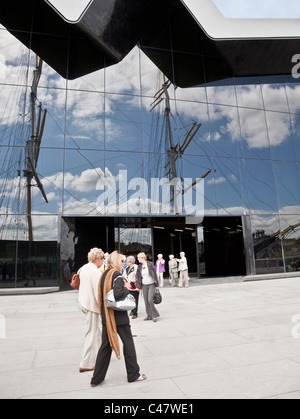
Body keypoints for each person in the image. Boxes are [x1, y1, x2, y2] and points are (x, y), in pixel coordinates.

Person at [91, 251, 146, 387]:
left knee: (105, 348)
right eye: (122, 261)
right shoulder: (116, 275)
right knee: (128, 344)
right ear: (116, 261)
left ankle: (96, 379)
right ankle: (133, 374)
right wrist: (127, 288)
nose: (123, 264)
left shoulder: (104, 274)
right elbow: (118, 294)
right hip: (119, 318)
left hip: (107, 316)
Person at [77, 247, 104, 373]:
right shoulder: (95, 272)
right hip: (91, 305)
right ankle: (86, 363)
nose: (103, 261)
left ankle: (100, 355)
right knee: (91, 333)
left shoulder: (83, 268)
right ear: (98, 258)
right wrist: (103, 308)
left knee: (97, 331)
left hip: (83, 302)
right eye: (102, 258)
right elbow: (98, 292)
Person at [136, 252, 160, 323]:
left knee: (150, 300)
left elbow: (155, 274)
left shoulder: (150, 264)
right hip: (144, 285)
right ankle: (149, 315)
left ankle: (154, 315)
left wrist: (157, 285)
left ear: (143, 257)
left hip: (151, 284)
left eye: (138, 257)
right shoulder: (139, 266)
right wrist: (138, 286)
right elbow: (137, 277)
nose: (137, 259)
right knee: (146, 301)